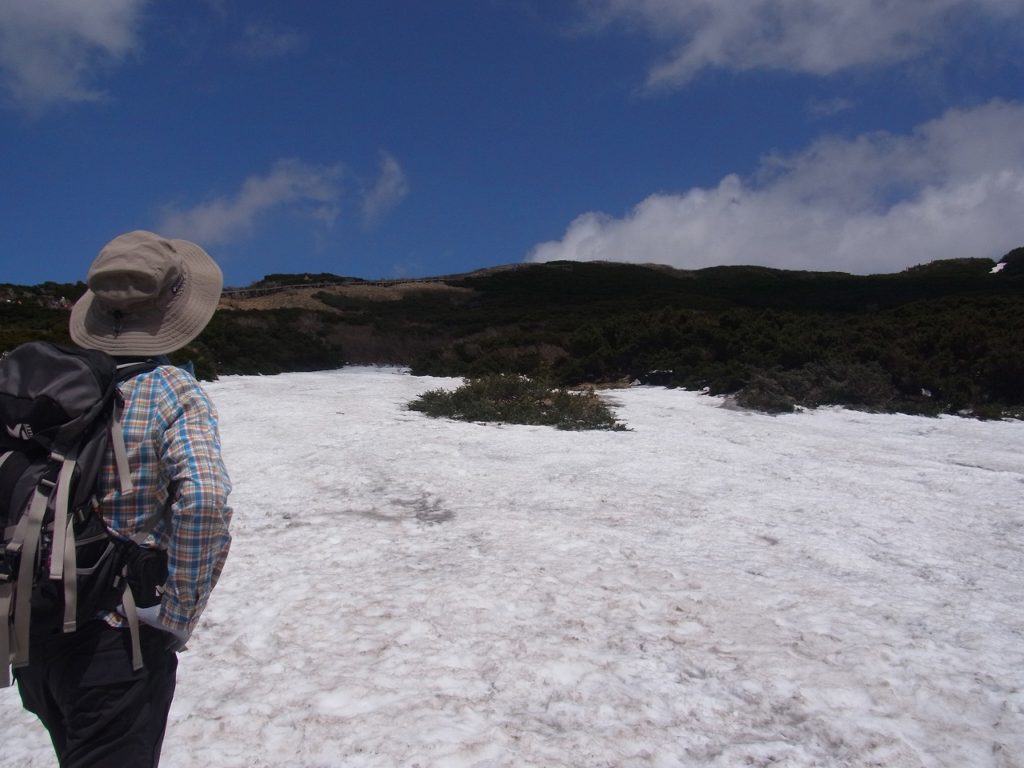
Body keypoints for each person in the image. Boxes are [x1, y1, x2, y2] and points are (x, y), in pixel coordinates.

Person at [14, 230, 233, 767]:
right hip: (118, 637)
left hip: (34, 633)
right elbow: (205, 502)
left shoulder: (45, 391)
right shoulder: (169, 390)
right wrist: (177, 615)